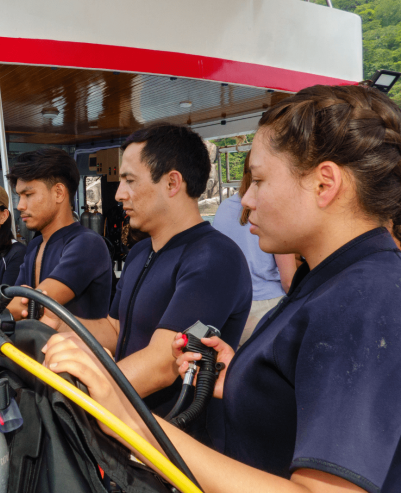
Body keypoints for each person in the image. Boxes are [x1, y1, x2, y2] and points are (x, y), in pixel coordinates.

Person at [45, 84, 401, 493]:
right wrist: (247, 377)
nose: (246, 199)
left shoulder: (365, 297)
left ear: (325, 185)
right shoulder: (330, 281)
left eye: (260, 180)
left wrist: (125, 417)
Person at [44, 123, 251, 444]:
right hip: (128, 430)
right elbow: (115, 329)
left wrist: (81, 393)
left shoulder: (214, 257)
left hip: (178, 442)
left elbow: (163, 362)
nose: (118, 193)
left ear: (172, 182)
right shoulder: (142, 251)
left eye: (129, 180)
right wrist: (54, 327)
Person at [0, 148, 112, 320]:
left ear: (58, 193)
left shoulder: (87, 243)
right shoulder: (35, 244)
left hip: (75, 347)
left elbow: (31, 304)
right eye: (20, 196)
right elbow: (14, 301)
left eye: (28, 194)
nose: (20, 206)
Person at [212, 151, 297, 347]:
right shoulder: (273, 210)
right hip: (267, 308)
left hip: (231, 311)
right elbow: (288, 280)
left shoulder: (223, 208)